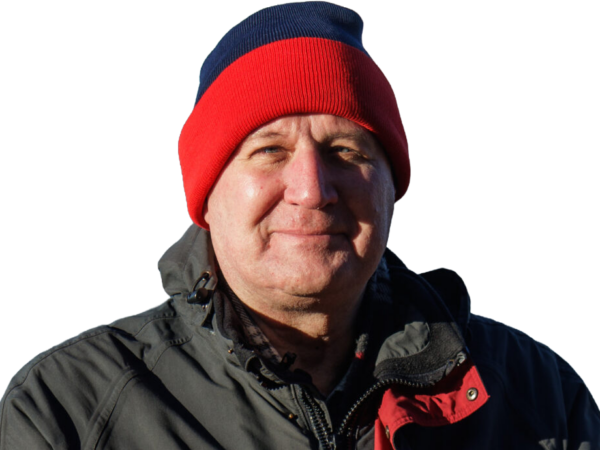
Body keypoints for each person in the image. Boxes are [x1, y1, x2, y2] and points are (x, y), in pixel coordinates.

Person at [2, 2, 598, 449]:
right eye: (270, 151)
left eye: (346, 151)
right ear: (206, 194)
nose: (312, 189)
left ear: (391, 190)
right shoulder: (67, 411)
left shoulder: (540, 398)